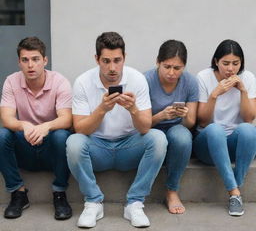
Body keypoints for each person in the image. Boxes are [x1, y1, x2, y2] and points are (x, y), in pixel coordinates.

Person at [66, 32, 167, 228]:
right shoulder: (82, 82)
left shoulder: (137, 79)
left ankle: (135, 203)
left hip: (129, 146)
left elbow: (145, 127)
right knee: (74, 143)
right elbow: (79, 128)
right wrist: (102, 110)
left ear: (124, 58)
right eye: (106, 61)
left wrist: (133, 109)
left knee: (158, 139)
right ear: (96, 59)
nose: (112, 68)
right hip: (97, 148)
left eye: (117, 60)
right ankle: (93, 202)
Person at [0, 37, 73, 220]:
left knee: (63, 136)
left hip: (51, 149)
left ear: (45, 61)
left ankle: (59, 193)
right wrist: (23, 124)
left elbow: (66, 119)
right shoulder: (11, 81)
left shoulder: (59, 81)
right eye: (25, 60)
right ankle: (18, 193)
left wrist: (45, 127)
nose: (30, 65)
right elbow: (7, 118)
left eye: (35, 59)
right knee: (2, 135)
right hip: (25, 146)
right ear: (19, 62)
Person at [193, 39, 256, 216]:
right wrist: (215, 94)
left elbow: (249, 118)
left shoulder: (248, 78)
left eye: (235, 64)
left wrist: (243, 91)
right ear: (216, 61)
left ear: (241, 63)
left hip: (233, 144)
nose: (230, 69)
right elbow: (203, 122)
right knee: (215, 129)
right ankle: (234, 191)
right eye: (225, 63)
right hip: (208, 144)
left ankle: (236, 191)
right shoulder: (204, 77)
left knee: (249, 130)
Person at [144, 40, 198, 214]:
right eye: (167, 66)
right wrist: (161, 116)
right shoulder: (145, 80)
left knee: (182, 137)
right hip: (150, 128)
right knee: (155, 137)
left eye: (178, 68)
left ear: (184, 66)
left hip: (177, 128)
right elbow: (138, 124)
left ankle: (172, 190)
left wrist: (185, 115)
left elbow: (190, 124)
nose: (172, 73)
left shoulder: (190, 81)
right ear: (157, 62)